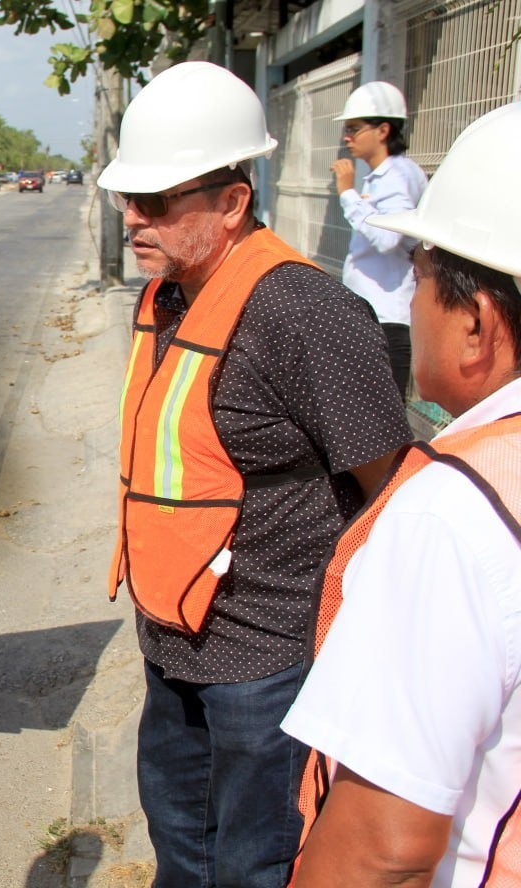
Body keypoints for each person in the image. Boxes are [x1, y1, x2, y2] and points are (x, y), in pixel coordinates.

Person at [97, 61, 411, 887]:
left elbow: (395, 493)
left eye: (158, 201)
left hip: (269, 663)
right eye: (129, 199)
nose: (135, 218)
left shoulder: (302, 312)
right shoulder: (170, 296)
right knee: (184, 853)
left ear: (232, 201)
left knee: (254, 864)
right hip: (173, 644)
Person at [284, 102, 521, 887]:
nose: (413, 299)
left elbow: (381, 853)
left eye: (422, 278)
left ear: (478, 324)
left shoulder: (451, 516)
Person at [332, 81, 429, 398]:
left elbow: (387, 239)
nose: (348, 137)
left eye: (355, 129)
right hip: (372, 317)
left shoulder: (398, 175)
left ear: (383, 130)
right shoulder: (384, 176)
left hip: (387, 320)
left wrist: (348, 194)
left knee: (381, 425)